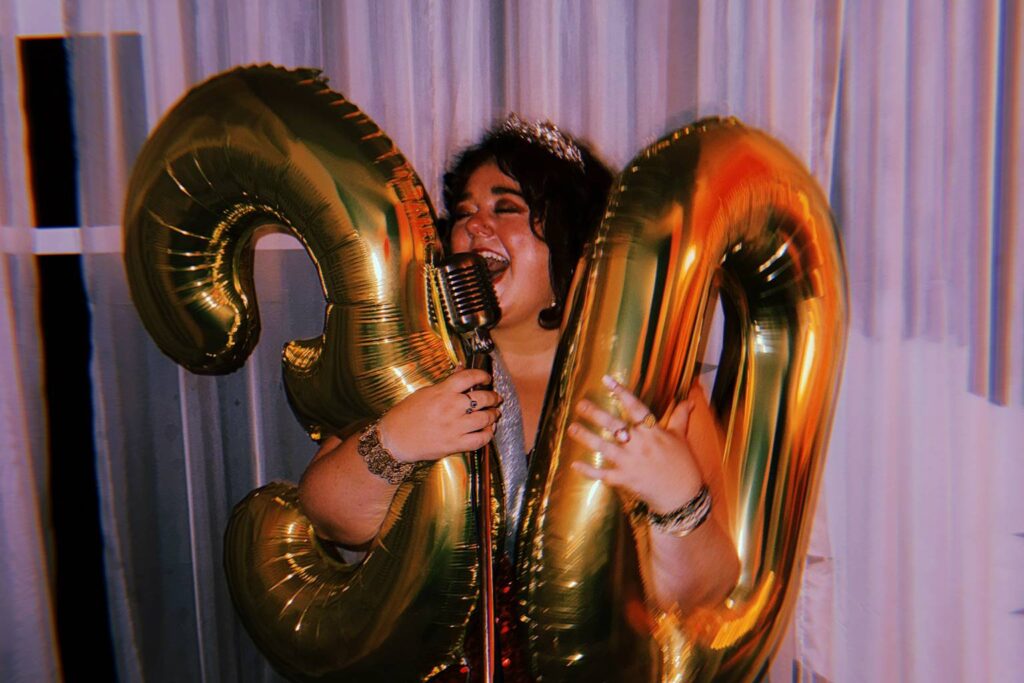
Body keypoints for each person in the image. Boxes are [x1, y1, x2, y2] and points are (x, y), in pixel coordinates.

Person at [298, 115, 740, 675]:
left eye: (506, 208)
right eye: (462, 212)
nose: (474, 226)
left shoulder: (653, 389)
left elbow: (700, 595)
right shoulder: (419, 367)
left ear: (578, 242)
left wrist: (680, 501)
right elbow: (330, 518)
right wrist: (397, 440)